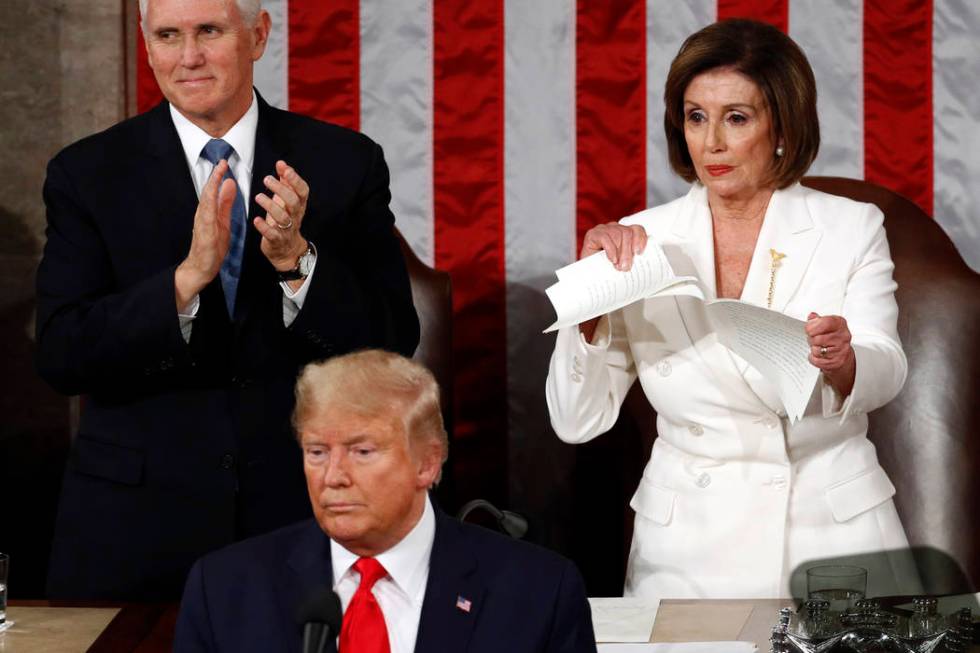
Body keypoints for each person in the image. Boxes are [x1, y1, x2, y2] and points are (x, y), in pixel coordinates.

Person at [35, 0, 419, 600]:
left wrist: (297, 263)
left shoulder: (344, 162)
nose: (187, 57)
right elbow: (61, 352)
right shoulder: (86, 173)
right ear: (146, 42)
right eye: (167, 35)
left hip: (301, 514)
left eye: (208, 31)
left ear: (257, 35)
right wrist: (184, 282)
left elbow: (394, 339)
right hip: (135, 528)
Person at [546, 19, 920, 600]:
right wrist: (589, 309)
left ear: (782, 127)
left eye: (736, 118)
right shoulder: (640, 238)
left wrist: (844, 362)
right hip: (688, 543)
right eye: (696, 116)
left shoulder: (852, 226)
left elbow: (887, 365)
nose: (711, 142)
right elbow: (576, 421)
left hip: (831, 533)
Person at [175, 350, 597, 653]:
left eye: (362, 451)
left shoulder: (538, 594)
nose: (334, 477)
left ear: (427, 464)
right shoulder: (225, 590)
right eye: (317, 452)